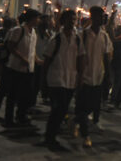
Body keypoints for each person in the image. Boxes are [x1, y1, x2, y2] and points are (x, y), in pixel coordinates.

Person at [43, 9, 84, 148]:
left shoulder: (77, 39)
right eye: (70, 19)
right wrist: (43, 80)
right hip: (56, 79)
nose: (72, 22)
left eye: (74, 20)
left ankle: (51, 134)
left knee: (62, 109)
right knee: (58, 108)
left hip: (70, 80)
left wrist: (80, 77)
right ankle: (50, 137)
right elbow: (47, 59)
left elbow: (80, 58)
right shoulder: (56, 39)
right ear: (63, 21)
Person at [73, 6, 113, 147]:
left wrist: (108, 76)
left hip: (98, 76)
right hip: (84, 77)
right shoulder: (83, 35)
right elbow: (78, 56)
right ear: (93, 17)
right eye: (99, 16)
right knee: (83, 106)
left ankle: (77, 121)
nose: (102, 19)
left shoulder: (104, 36)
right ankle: (85, 135)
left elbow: (106, 57)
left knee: (93, 105)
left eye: (102, 17)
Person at [4, 9, 41, 127]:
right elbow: (10, 47)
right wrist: (22, 58)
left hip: (29, 69)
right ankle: (8, 119)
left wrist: (36, 60)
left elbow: (32, 49)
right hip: (15, 68)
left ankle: (21, 115)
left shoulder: (34, 32)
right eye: (37, 18)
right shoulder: (18, 30)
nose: (38, 20)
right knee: (12, 95)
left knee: (26, 95)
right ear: (31, 18)